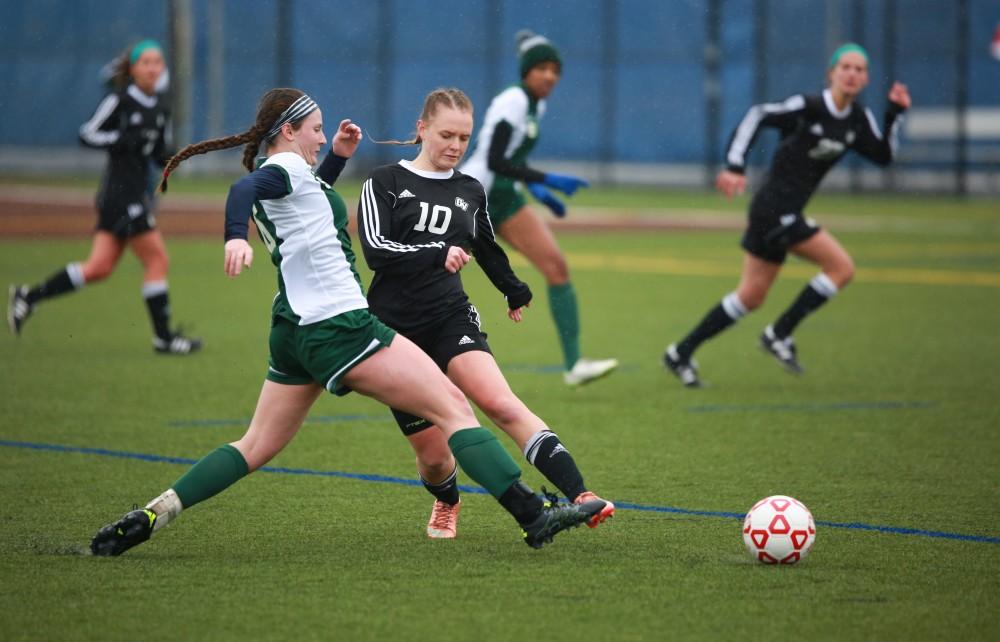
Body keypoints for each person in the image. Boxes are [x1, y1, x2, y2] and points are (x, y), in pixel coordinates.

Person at [89, 88, 606, 556]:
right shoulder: (282, 172)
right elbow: (243, 191)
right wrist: (234, 235)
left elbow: (307, 199)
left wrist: (336, 155)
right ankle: (534, 515)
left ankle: (156, 513)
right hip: (341, 326)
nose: (321, 135)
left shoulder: (298, 179)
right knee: (454, 408)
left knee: (254, 445)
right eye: (316, 128)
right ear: (288, 130)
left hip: (292, 328)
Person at [359, 88, 615, 539]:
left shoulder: (469, 189)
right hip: (395, 332)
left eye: (464, 137)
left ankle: (581, 495)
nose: (456, 146)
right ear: (421, 129)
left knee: (500, 403)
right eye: (446, 134)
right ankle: (446, 499)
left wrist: (514, 289)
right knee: (434, 455)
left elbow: (486, 246)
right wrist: (437, 252)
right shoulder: (384, 182)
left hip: (450, 317)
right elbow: (378, 251)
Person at [663, 43, 911, 387]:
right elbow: (758, 115)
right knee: (841, 268)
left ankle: (680, 352)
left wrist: (894, 114)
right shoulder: (808, 107)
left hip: (783, 212)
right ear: (832, 73)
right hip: (773, 210)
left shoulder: (857, 120)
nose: (852, 74)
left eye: (860, 69)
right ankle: (779, 333)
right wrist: (735, 164)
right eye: (846, 67)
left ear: (866, 78)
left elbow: (882, 156)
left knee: (750, 296)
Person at [7, 39, 200, 354]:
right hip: (120, 196)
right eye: (146, 62)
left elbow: (157, 153)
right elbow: (87, 133)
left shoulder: (163, 106)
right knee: (157, 258)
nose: (153, 67)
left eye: (157, 62)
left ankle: (28, 297)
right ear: (133, 69)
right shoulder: (120, 101)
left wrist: (172, 158)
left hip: (135, 193)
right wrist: (120, 139)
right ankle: (163, 338)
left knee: (98, 267)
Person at [461, 30, 618, 387]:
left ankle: (574, 364)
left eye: (556, 70)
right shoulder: (513, 100)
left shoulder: (536, 104)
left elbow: (513, 159)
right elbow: (496, 159)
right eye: (543, 68)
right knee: (429, 271)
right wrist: (547, 179)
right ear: (526, 71)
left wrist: (537, 190)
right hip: (475, 197)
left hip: (505, 196)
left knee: (556, 267)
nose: (550, 76)